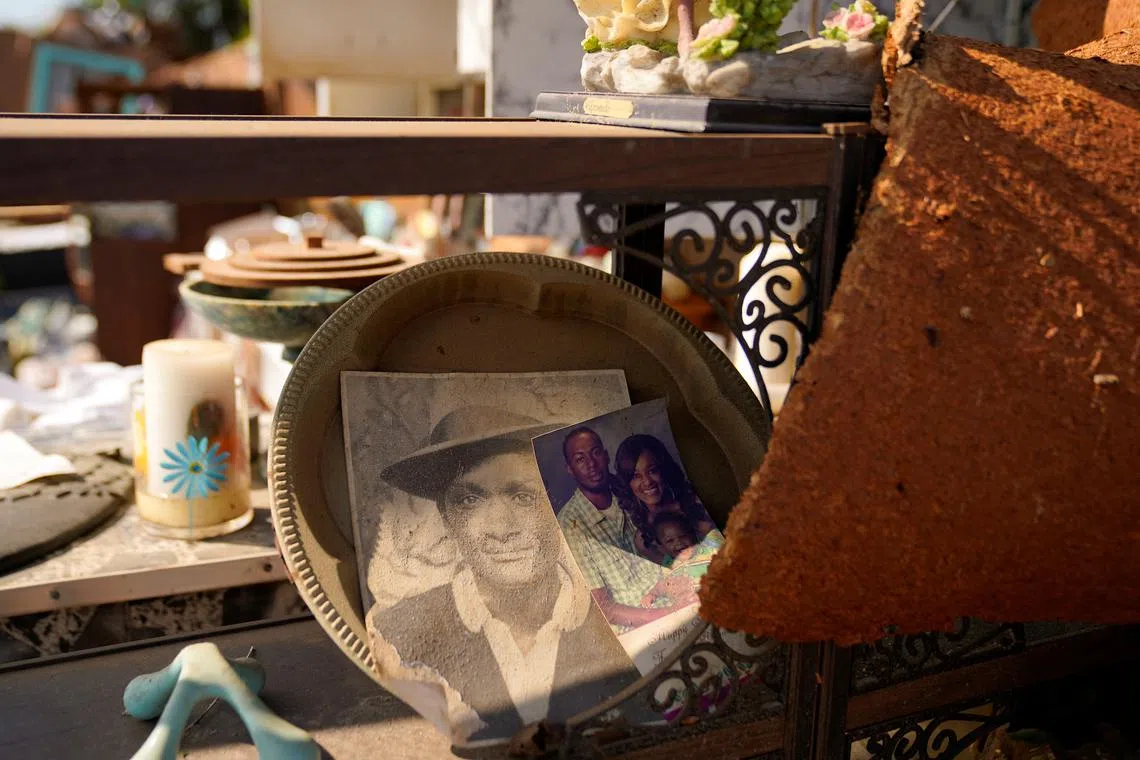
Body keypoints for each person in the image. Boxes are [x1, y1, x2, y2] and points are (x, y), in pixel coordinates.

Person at [370, 407, 640, 742]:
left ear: (559, 502)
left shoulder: (627, 623)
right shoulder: (397, 634)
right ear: (447, 518)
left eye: (524, 497)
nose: (501, 529)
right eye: (470, 500)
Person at [557, 427, 696, 634]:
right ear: (569, 468)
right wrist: (672, 612)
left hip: (677, 594)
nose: (591, 465)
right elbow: (606, 609)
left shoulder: (631, 492)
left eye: (595, 453)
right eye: (580, 459)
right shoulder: (569, 525)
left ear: (605, 456)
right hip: (642, 629)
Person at [614, 434, 716, 563]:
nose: (647, 482)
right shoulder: (642, 539)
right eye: (635, 476)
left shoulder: (696, 506)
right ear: (627, 484)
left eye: (652, 471)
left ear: (664, 470)